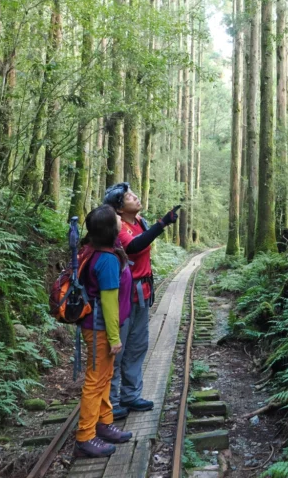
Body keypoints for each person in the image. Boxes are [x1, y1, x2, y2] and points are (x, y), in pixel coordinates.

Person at [102, 182, 179, 419]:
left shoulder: (139, 222)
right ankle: (112, 402)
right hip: (124, 294)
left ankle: (131, 395)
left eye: (134, 194)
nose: (135, 198)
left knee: (138, 346)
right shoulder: (118, 226)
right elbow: (135, 247)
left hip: (143, 292)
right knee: (118, 349)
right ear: (118, 208)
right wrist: (162, 223)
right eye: (129, 197)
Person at [74, 204, 134, 458]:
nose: (121, 221)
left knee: (104, 378)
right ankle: (86, 436)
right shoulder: (107, 261)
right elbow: (109, 304)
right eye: (116, 219)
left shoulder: (95, 251)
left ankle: (104, 422)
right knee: (95, 381)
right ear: (110, 229)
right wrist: (114, 338)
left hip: (97, 327)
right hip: (100, 329)